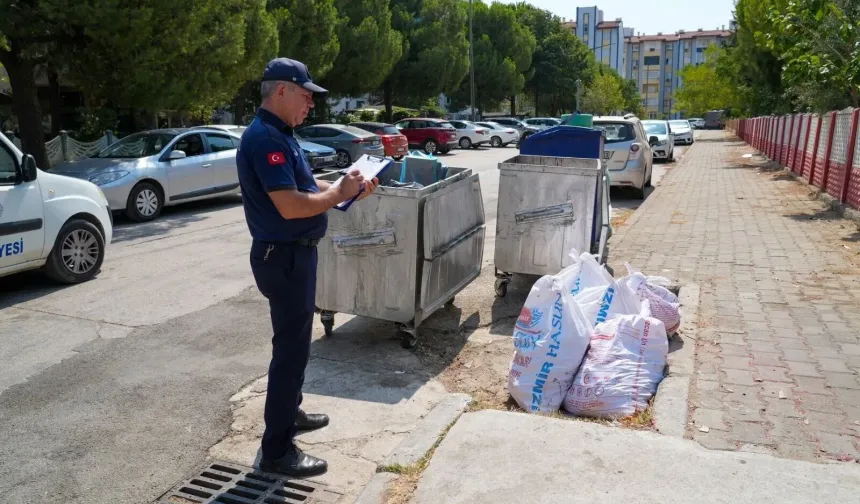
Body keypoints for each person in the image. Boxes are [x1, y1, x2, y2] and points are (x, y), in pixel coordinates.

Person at [236, 57, 378, 477]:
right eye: (305, 95)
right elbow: (291, 205)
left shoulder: (281, 134)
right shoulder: (265, 139)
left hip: (294, 254)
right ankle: (278, 450)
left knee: (296, 346)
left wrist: (346, 188)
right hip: (283, 257)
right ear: (280, 91)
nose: (311, 104)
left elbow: (306, 187)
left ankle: (289, 413)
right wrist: (339, 193)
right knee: (291, 350)